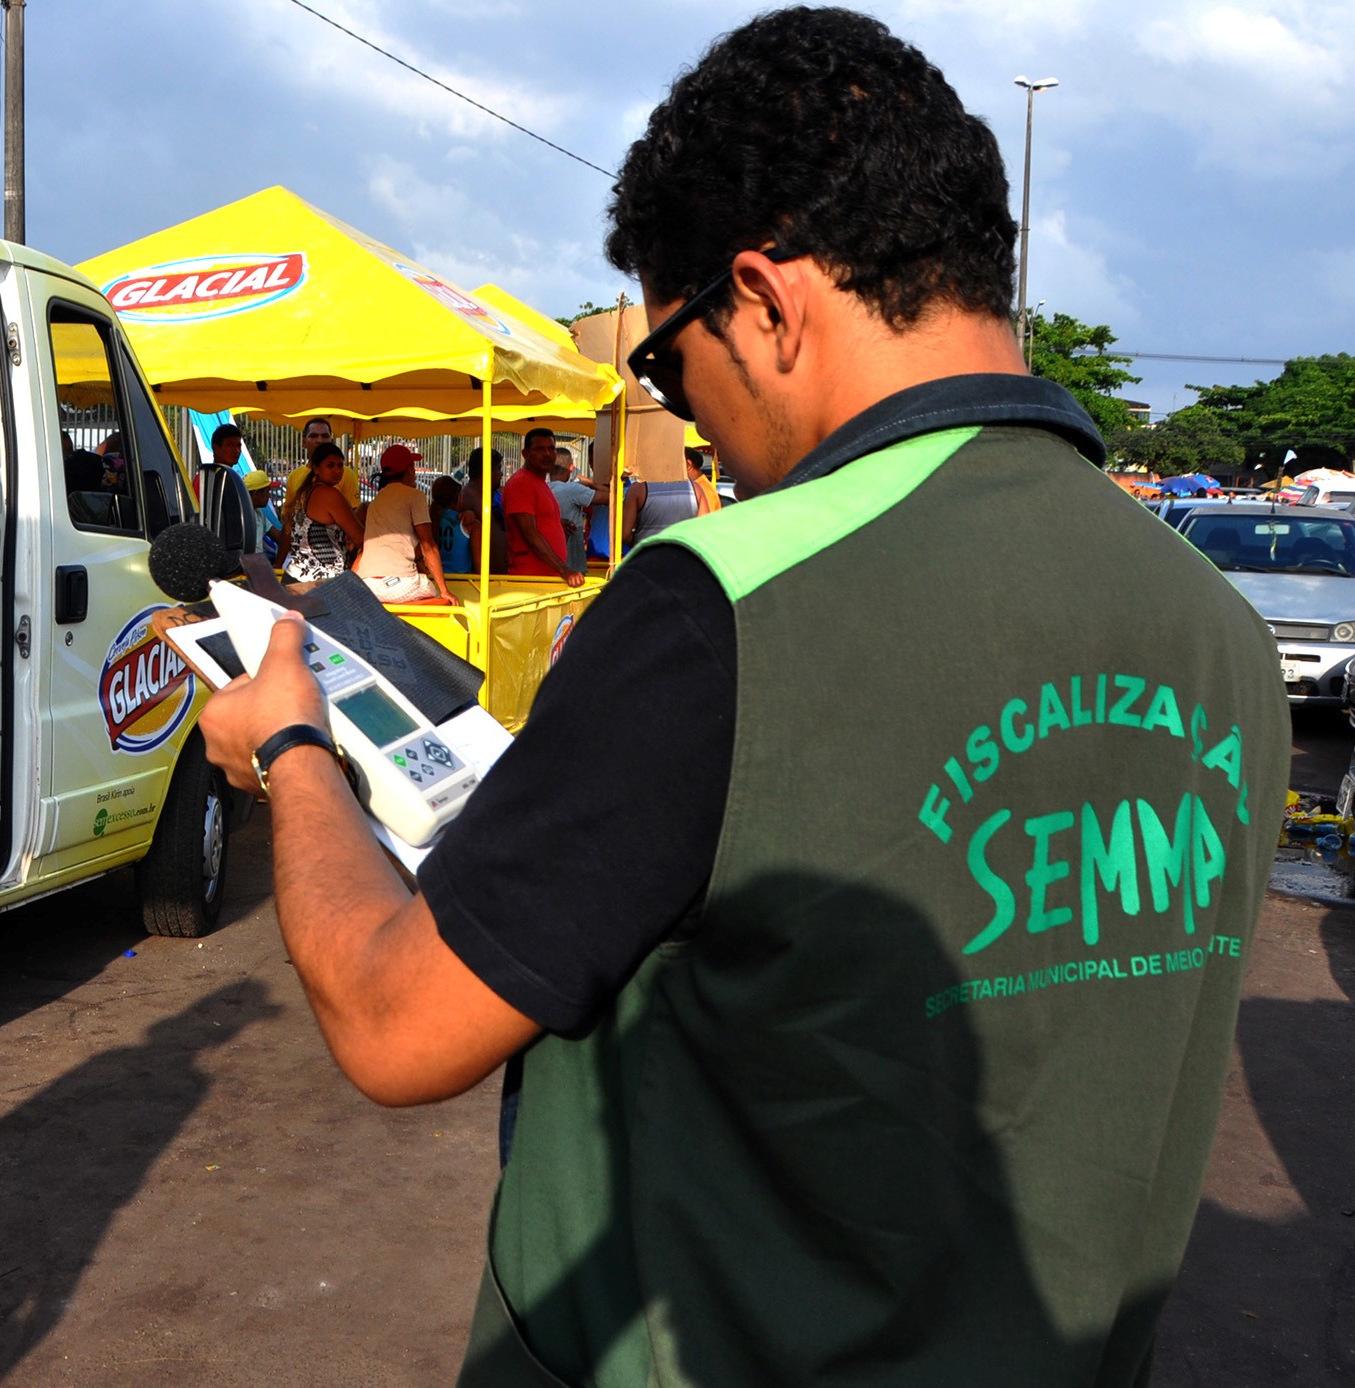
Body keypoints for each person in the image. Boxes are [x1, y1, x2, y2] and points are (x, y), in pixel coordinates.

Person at [194, 9, 1286, 1385]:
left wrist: (292, 745)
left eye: (663, 362)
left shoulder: (718, 599)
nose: (685, 410)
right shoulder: (1216, 626)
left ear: (764, 301)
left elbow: (396, 1024)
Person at [353, 443, 453, 604]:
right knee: (437, 594)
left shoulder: (375, 503)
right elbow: (428, 545)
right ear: (410, 469)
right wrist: (445, 590)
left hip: (368, 585)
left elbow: (364, 551)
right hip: (399, 585)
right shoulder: (415, 496)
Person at [502, 427, 586, 585]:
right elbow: (530, 534)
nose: (547, 454)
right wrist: (564, 570)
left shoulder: (538, 482)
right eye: (540, 449)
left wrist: (557, 524)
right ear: (525, 454)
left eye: (551, 448)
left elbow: (536, 522)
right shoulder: (521, 483)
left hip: (546, 578)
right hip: (531, 580)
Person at [281, 442, 362, 586]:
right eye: (330, 465)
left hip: (294, 577)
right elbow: (360, 537)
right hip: (319, 583)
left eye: (340, 465)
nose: (337, 470)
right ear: (316, 468)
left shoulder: (304, 492)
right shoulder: (330, 495)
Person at [195, 422, 260, 559]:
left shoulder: (233, 477)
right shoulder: (206, 478)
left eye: (238, 445)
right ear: (215, 448)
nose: (236, 450)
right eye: (230, 445)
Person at [285, 416, 361, 511]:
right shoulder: (294, 476)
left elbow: (355, 513)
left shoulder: (347, 474)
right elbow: (287, 515)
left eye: (325, 436)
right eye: (314, 436)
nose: (319, 440)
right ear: (304, 442)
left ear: (331, 441)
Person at [456, 447, 510, 574]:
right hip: (482, 577)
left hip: (499, 571)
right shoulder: (467, 497)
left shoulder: (494, 495)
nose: (501, 474)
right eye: (498, 469)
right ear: (486, 471)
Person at [547, 448, 596, 572]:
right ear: (571, 468)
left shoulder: (543, 489)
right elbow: (612, 497)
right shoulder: (573, 489)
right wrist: (592, 483)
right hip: (573, 568)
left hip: (550, 565)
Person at [431, 475, 475, 573]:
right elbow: (481, 566)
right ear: (458, 497)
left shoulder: (429, 520)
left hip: (436, 579)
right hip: (463, 582)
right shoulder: (469, 523)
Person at [245, 467, 282, 562]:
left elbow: (279, 537)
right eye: (267, 491)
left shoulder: (259, 513)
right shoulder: (239, 515)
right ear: (257, 493)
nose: (269, 496)